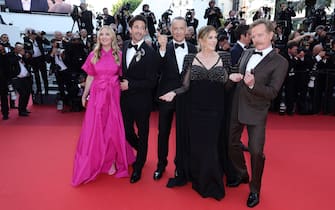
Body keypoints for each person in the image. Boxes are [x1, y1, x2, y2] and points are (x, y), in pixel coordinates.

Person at [160, 25, 233, 200]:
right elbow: (185, 86)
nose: (214, 41)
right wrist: (173, 93)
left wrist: (232, 79)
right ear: (201, 40)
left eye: (216, 37)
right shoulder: (190, 58)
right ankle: (198, 175)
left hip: (216, 109)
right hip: (195, 110)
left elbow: (227, 86)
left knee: (212, 145)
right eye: (210, 38)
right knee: (199, 145)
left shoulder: (225, 57)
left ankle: (211, 180)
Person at [227, 19, 288, 207]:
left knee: (255, 152)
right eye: (253, 35)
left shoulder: (280, 62)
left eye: (260, 34)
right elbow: (237, 71)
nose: (255, 39)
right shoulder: (246, 53)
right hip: (237, 106)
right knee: (231, 144)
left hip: (257, 110)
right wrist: (233, 76)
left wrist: (253, 84)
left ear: (271, 35)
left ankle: (255, 189)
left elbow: (272, 92)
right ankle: (242, 174)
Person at [72, 26, 135, 186]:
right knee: (97, 129)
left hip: (114, 96)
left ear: (113, 37)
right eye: (102, 34)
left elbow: (126, 77)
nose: (105, 37)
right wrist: (85, 95)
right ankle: (97, 160)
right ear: (98, 38)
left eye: (107, 34)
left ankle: (112, 160)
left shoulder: (119, 55)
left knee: (112, 128)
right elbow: (90, 77)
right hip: (98, 97)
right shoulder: (93, 55)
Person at [154, 17, 197, 181]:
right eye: (175, 28)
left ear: (186, 30)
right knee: (163, 133)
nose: (178, 31)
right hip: (166, 96)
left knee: (184, 133)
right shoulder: (164, 48)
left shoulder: (194, 48)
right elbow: (157, 68)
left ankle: (182, 166)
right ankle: (161, 164)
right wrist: (162, 49)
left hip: (186, 97)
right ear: (171, 30)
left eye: (181, 28)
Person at [120, 15, 158, 183]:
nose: (138, 30)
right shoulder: (125, 46)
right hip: (124, 100)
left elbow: (152, 81)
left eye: (141, 27)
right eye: (135, 26)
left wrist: (131, 85)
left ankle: (139, 165)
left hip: (142, 100)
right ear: (130, 29)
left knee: (143, 133)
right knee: (127, 132)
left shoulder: (150, 52)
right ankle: (141, 150)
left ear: (145, 30)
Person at [8, 43, 32, 117]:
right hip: (17, 79)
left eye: (22, 49)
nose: (23, 50)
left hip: (26, 78)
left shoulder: (23, 56)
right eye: (20, 49)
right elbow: (12, 63)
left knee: (27, 93)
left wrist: (25, 56)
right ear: (16, 49)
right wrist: (20, 55)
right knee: (23, 94)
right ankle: (21, 111)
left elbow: (28, 62)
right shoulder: (10, 55)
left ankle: (24, 108)